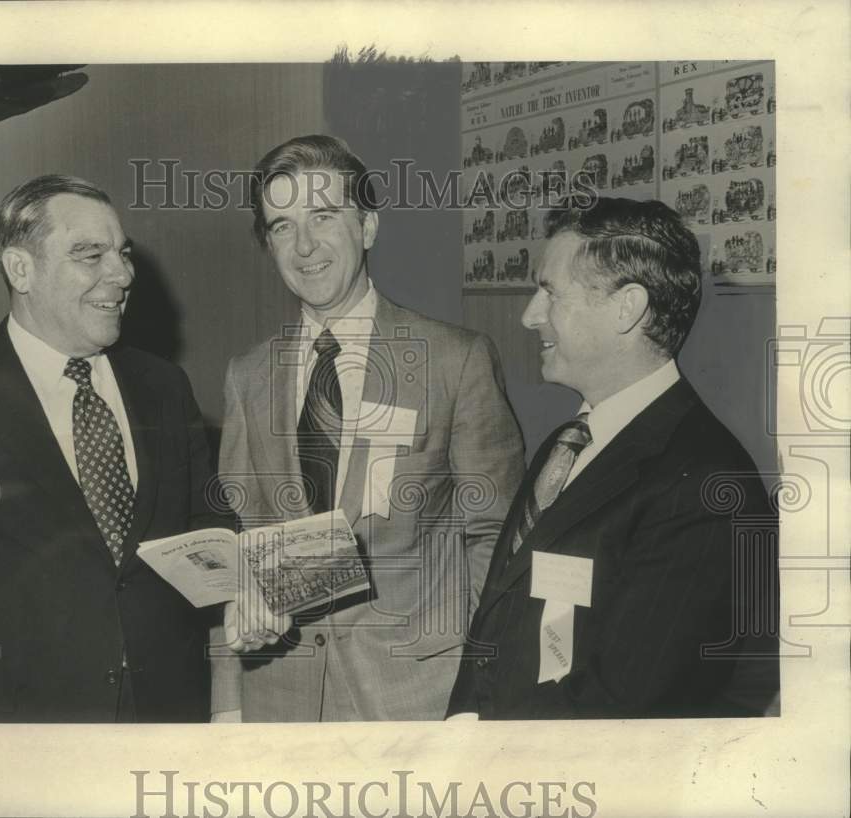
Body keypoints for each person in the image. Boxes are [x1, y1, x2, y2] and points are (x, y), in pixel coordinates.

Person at [212, 135, 525, 721]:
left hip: (416, 700)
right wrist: (227, 701)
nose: (305, 246)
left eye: (324, 217)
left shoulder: (454, 360)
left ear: (368, 228)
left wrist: (464, 673)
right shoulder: (247, 376)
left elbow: (497, 540)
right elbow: (236, 543)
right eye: (282, 226)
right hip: (281, 703)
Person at [448, 198, 779, 720]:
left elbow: (624, 709)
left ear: (627, 308)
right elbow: (497, 625)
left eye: (550, 292)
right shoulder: (566, 443)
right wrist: (463, 722)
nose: (529, 315)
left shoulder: (709, 487)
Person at [0, 174, 218, 722]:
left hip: (166, 716)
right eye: (90, 254)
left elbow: (206, 527)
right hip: (19, 731)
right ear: (21, 269)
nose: (122, 274)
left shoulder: (165, 387)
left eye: (123, 253)